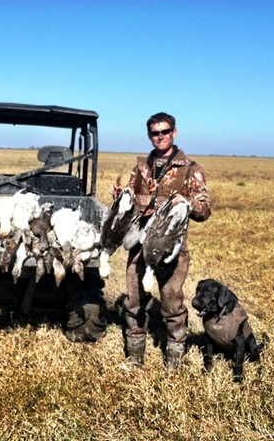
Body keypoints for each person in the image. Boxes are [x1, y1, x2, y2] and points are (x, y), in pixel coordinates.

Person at [111, 112, 211, 368]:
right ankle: (134, 359)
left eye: (165, 131)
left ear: (174, 133)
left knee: (172, 303)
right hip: (139, 247)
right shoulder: (141, 169)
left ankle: (174, 361)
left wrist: (187, 201)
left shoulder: (190, 169)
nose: (160, 137)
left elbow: (204, 210)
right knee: (134, 302)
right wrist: (121, 197)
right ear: (149, 136)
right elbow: (132, 201)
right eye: (155, 133)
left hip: (171, 249)